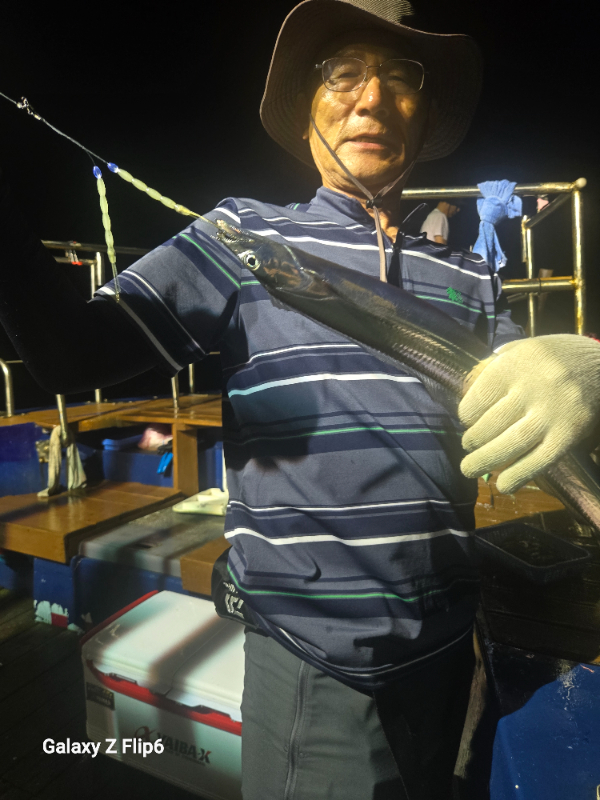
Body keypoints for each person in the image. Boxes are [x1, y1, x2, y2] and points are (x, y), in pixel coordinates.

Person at [1, 1, 600, 798]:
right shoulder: (242, 239)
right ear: (307, 110)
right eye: (342, 73)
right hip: (317, 672)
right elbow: (68, 355)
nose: (371, 97)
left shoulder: (469, 275)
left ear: (425, 118)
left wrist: (588, 370)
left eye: (400, 78)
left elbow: (537, 407)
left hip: (451, 657)